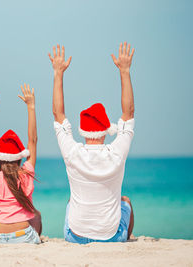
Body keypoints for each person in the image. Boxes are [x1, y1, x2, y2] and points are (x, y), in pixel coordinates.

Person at [49, 43, 135, 244]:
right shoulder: (116, 153)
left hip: (74, 236)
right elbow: (128, 114)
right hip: (110, 237)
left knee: (72, 202)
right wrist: (124, 71)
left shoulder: (72, 152)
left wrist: (58, 73)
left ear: (83, 131)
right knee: (127, 203)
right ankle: (124, 240)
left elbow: (58, 115)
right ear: (106, 130)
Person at [0, 85, 42, 244]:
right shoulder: (26, 174)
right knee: (37, 215)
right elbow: (33, 140)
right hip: (23, 236)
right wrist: (31, 106)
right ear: (19, 158)